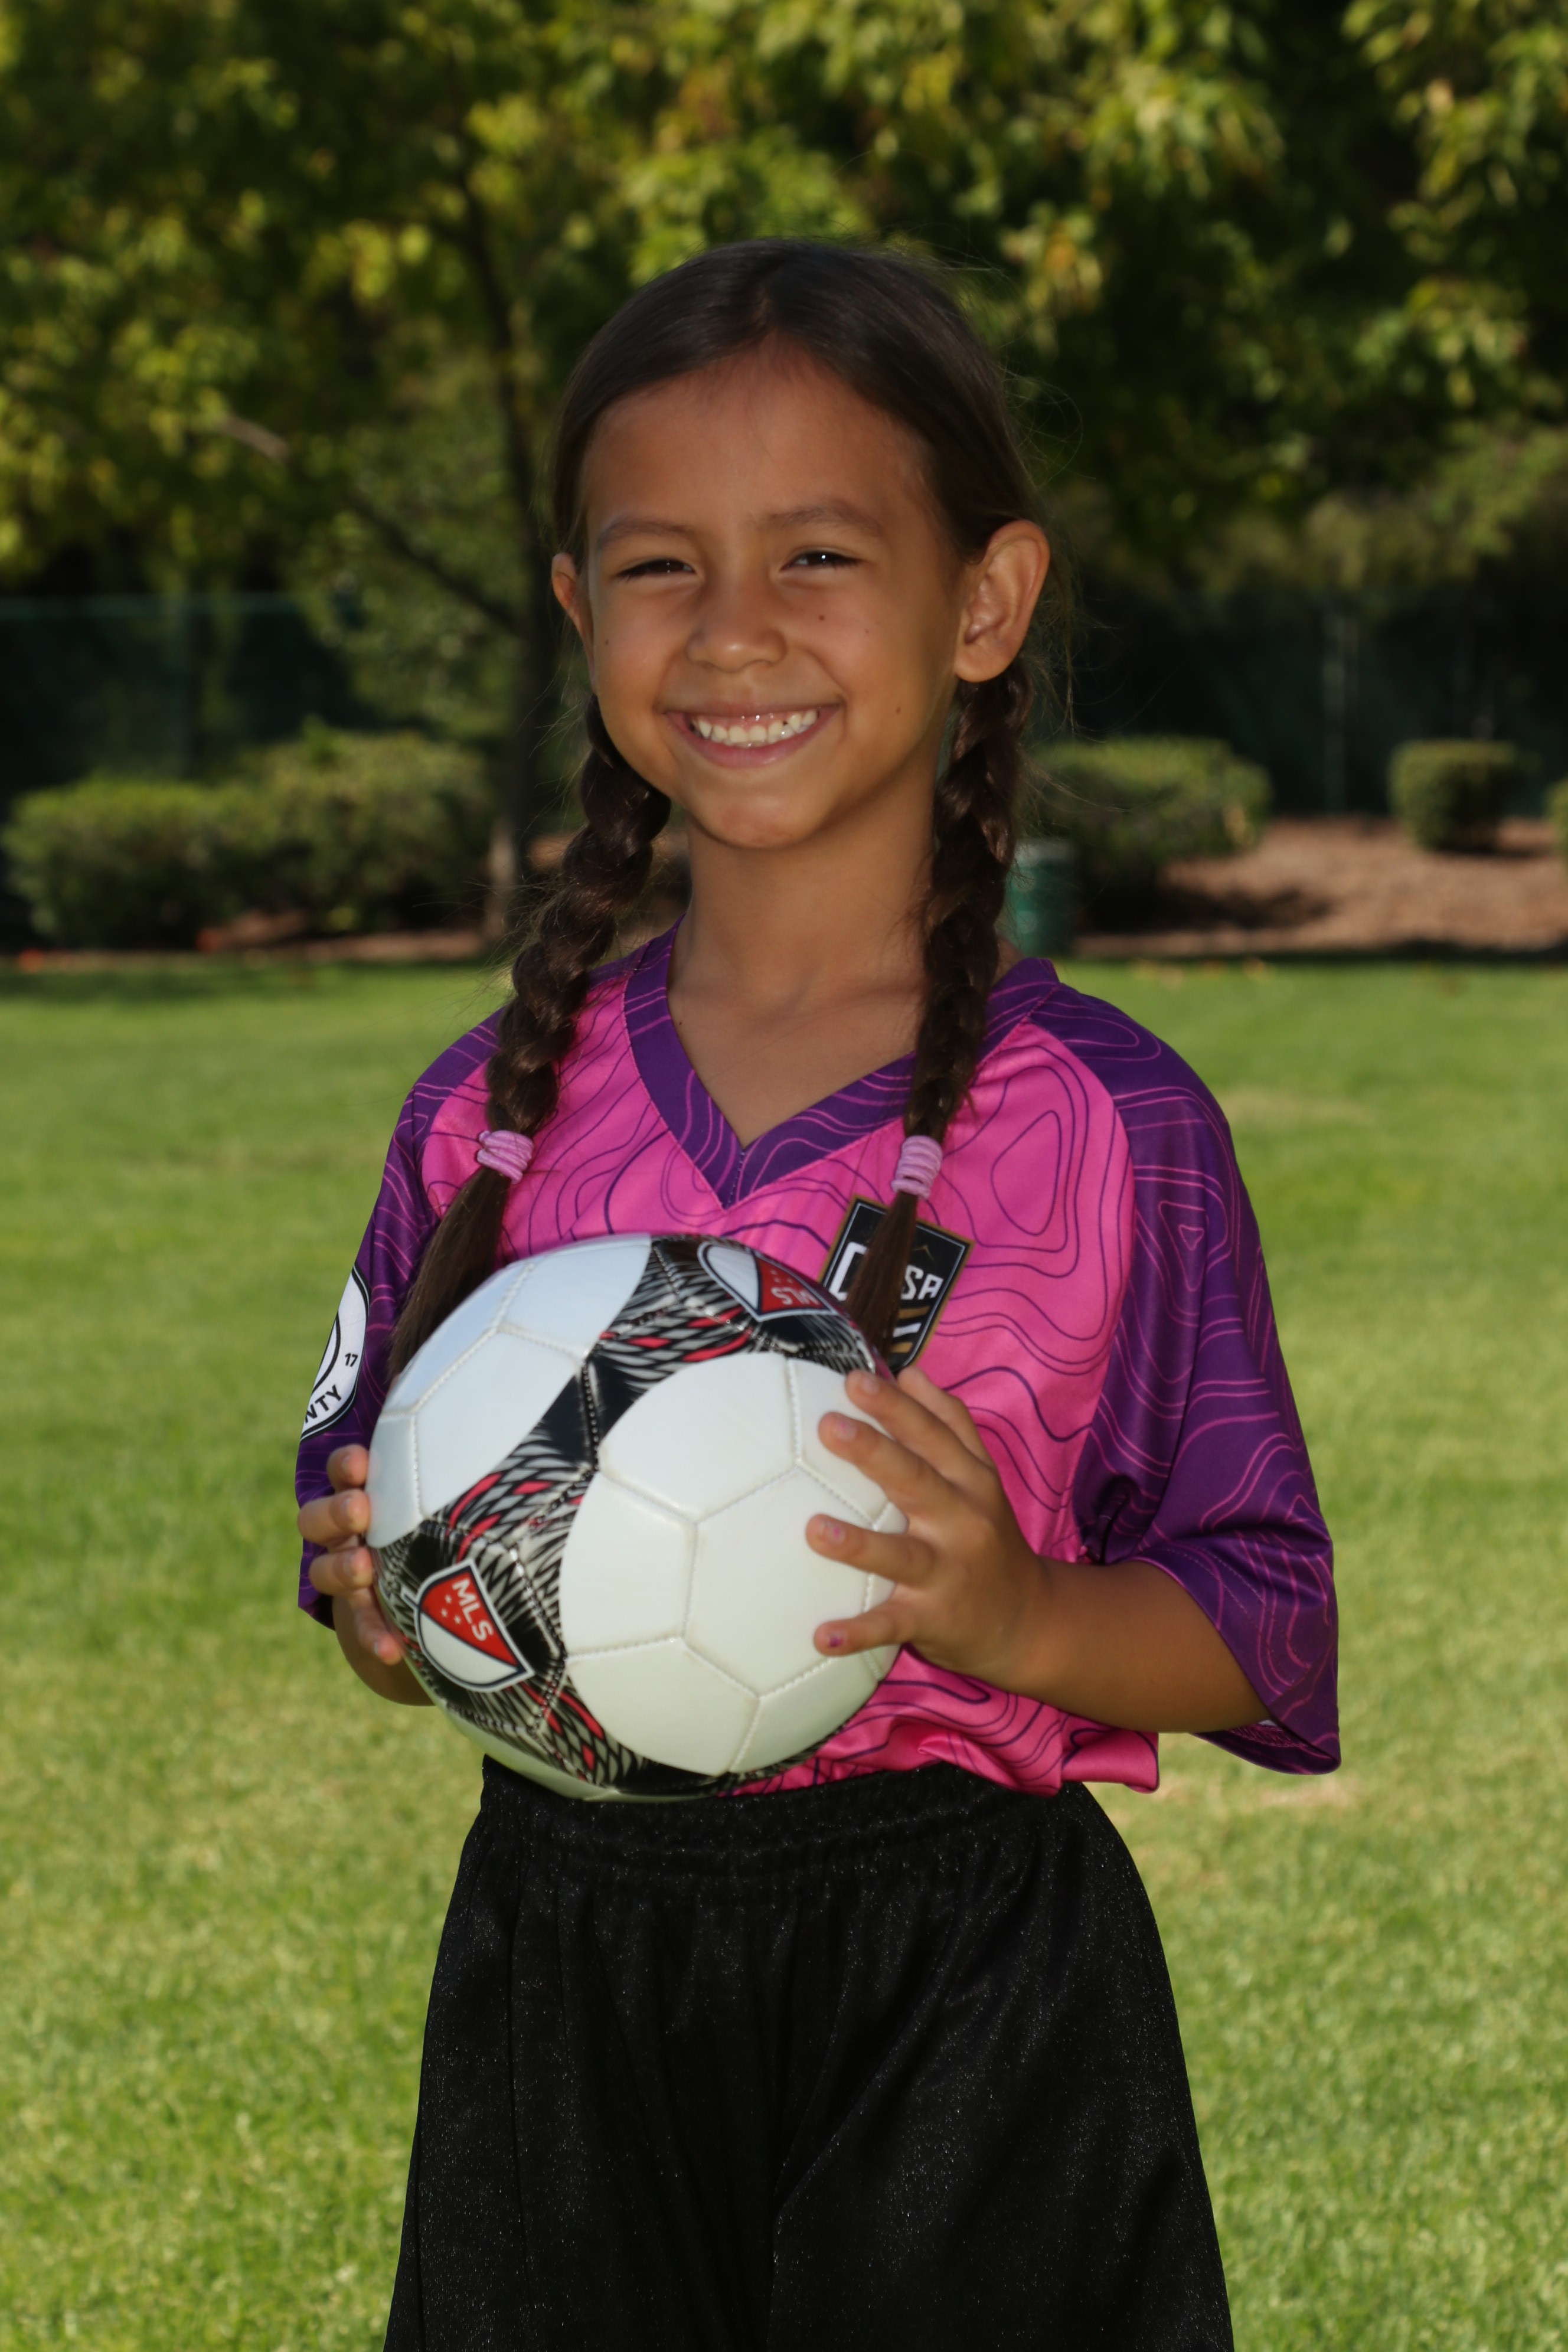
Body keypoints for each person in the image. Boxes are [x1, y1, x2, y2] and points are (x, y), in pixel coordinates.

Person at [296, 240, 1336, 2352]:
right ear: (580, 609)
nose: (735, 629)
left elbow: (1268, 1618)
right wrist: (386, 1613)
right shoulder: (485, 1116)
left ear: (986, 602)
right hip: (563, 1977)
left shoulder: (1111, 1128)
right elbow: (362, 1518)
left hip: (968, 1997)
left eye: (822, 554)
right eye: (661, 565)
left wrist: (1022, 1615)